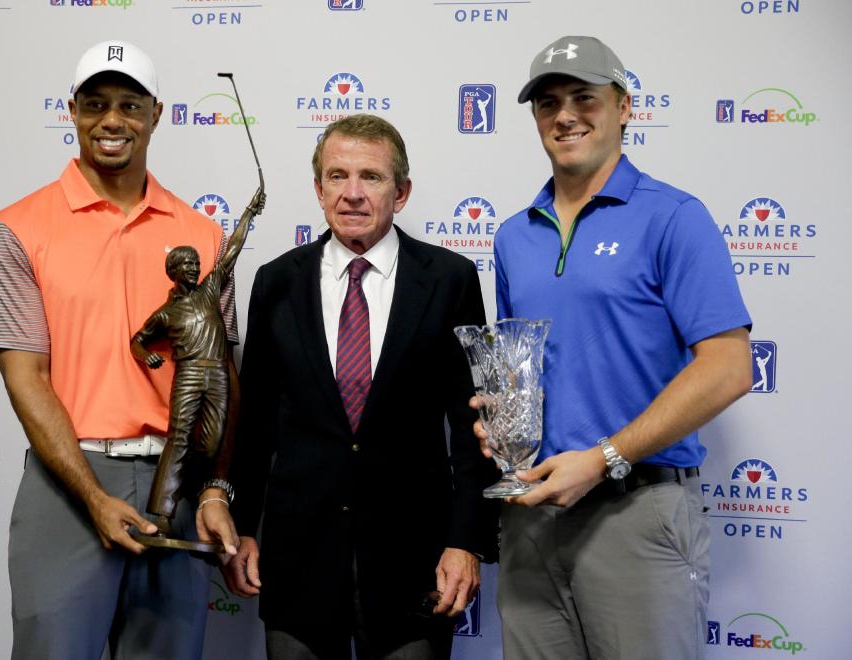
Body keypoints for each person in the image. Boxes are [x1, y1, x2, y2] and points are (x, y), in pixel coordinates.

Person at [481, 36, 754, 660]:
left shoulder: (674, 217)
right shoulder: (513, 236)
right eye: (548, 102)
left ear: (625, 106)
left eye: (584, 97)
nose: (565, 115)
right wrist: (495, 419)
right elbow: (518, 371)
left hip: (636, 512)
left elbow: (730, 368)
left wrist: (603, 458)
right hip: (529, 514)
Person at [0, 40, 241, 660]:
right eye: (95, 104)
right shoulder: (16, 228)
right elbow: (26, 380)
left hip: (173, 487)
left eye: (128, 104)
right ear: (72, 111)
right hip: (67, 483)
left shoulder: (200, 233)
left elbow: (223, 376)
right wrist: (93, 497)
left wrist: (212, 490)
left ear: (157, 113)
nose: (111, 120)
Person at [224, 114, 499, 660]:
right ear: (318, 188)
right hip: (296, 560)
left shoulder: (449, 280)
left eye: (370, 177)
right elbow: (255, 424)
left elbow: (475, 427)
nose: (352, 193)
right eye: (337, 175)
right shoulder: (276, 282)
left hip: (413, 561)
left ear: (401, 193)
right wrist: (242, 528)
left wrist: (466, 540)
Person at [131, 184, 262, 533]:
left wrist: (249, 212)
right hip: (188, 375)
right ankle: (161, 512)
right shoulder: (166, 312)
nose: (193, 267)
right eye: (186, 263)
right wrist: (146, 356)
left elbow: (231, 252)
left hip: (217, 374)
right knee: (179, 437)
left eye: (195, 262)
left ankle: (191, 492)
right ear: (173, 270)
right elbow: (138, 340)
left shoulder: (209, 290)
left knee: (211, 443)